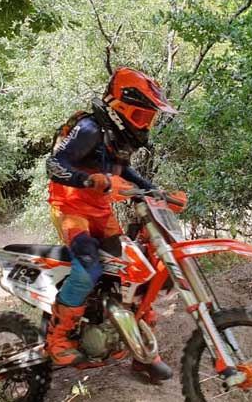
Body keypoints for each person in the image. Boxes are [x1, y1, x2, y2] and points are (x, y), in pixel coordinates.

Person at [44, 66, 176, 382]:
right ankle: (57, 339)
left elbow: (124, 171)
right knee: (88, 268)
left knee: (135, 272)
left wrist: (155, 192)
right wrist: (89, 180)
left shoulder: (116, 138)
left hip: (101, 212)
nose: (145, 124)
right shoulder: (89, 129)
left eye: (149, 119)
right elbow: (54, 165)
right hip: (70, 208)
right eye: (141, 116)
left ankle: (142, 354)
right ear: (120, 109)